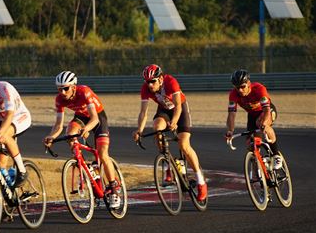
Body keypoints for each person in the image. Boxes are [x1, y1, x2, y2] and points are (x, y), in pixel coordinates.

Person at [43, 70, 121, 208]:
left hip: (97, 117)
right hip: (80, 117)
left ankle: (113, 188)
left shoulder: (84, 92)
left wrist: (87, 129)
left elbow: (94, 118)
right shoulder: (59, 99)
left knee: (102, 153)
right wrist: (52, 136)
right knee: (70, 133)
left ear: (73, 87)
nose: (62, 92)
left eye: (65, 88)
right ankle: (84, 165)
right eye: (59, 89)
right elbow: (58, 125)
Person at [132, 64, 207, 201]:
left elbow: (178, 106)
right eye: (147, 82)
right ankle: (168, 165)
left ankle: (201, 181)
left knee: (184, 145)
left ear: (160, 79)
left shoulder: (171, 82)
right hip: (164, 109)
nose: (149, 85)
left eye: (152, 82)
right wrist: (139, 130)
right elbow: (143, 112)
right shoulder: (146, 89)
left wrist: (174, 122)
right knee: (157, 127)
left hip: (180, 109)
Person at [225, 69, 282, 169]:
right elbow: (231, 115)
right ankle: (258, 169)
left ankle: (276, 155)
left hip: (266, 110)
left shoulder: (259, 89)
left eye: (243, 87)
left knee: (260, 123)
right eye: (237, 88)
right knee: (250, 143)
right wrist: (230, 130)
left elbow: (266, 110)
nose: (240, 90)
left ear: (249, 83)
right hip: (252, 115)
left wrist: (264, 123)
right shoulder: (233, 94)